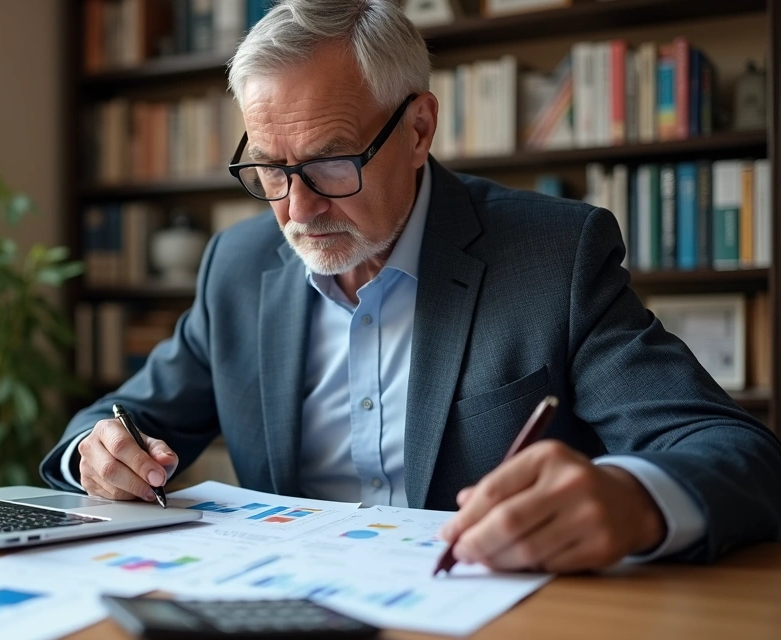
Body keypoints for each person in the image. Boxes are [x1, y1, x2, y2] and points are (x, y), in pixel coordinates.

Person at [40, 0, 781, 572]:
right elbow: (120, 417)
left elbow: (735, 450)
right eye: (269, 167)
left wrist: (633, 498)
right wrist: (97, 453)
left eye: (332, 162)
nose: (296, 210)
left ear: (420, 128)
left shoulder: (554, 256)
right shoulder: (238, 267)